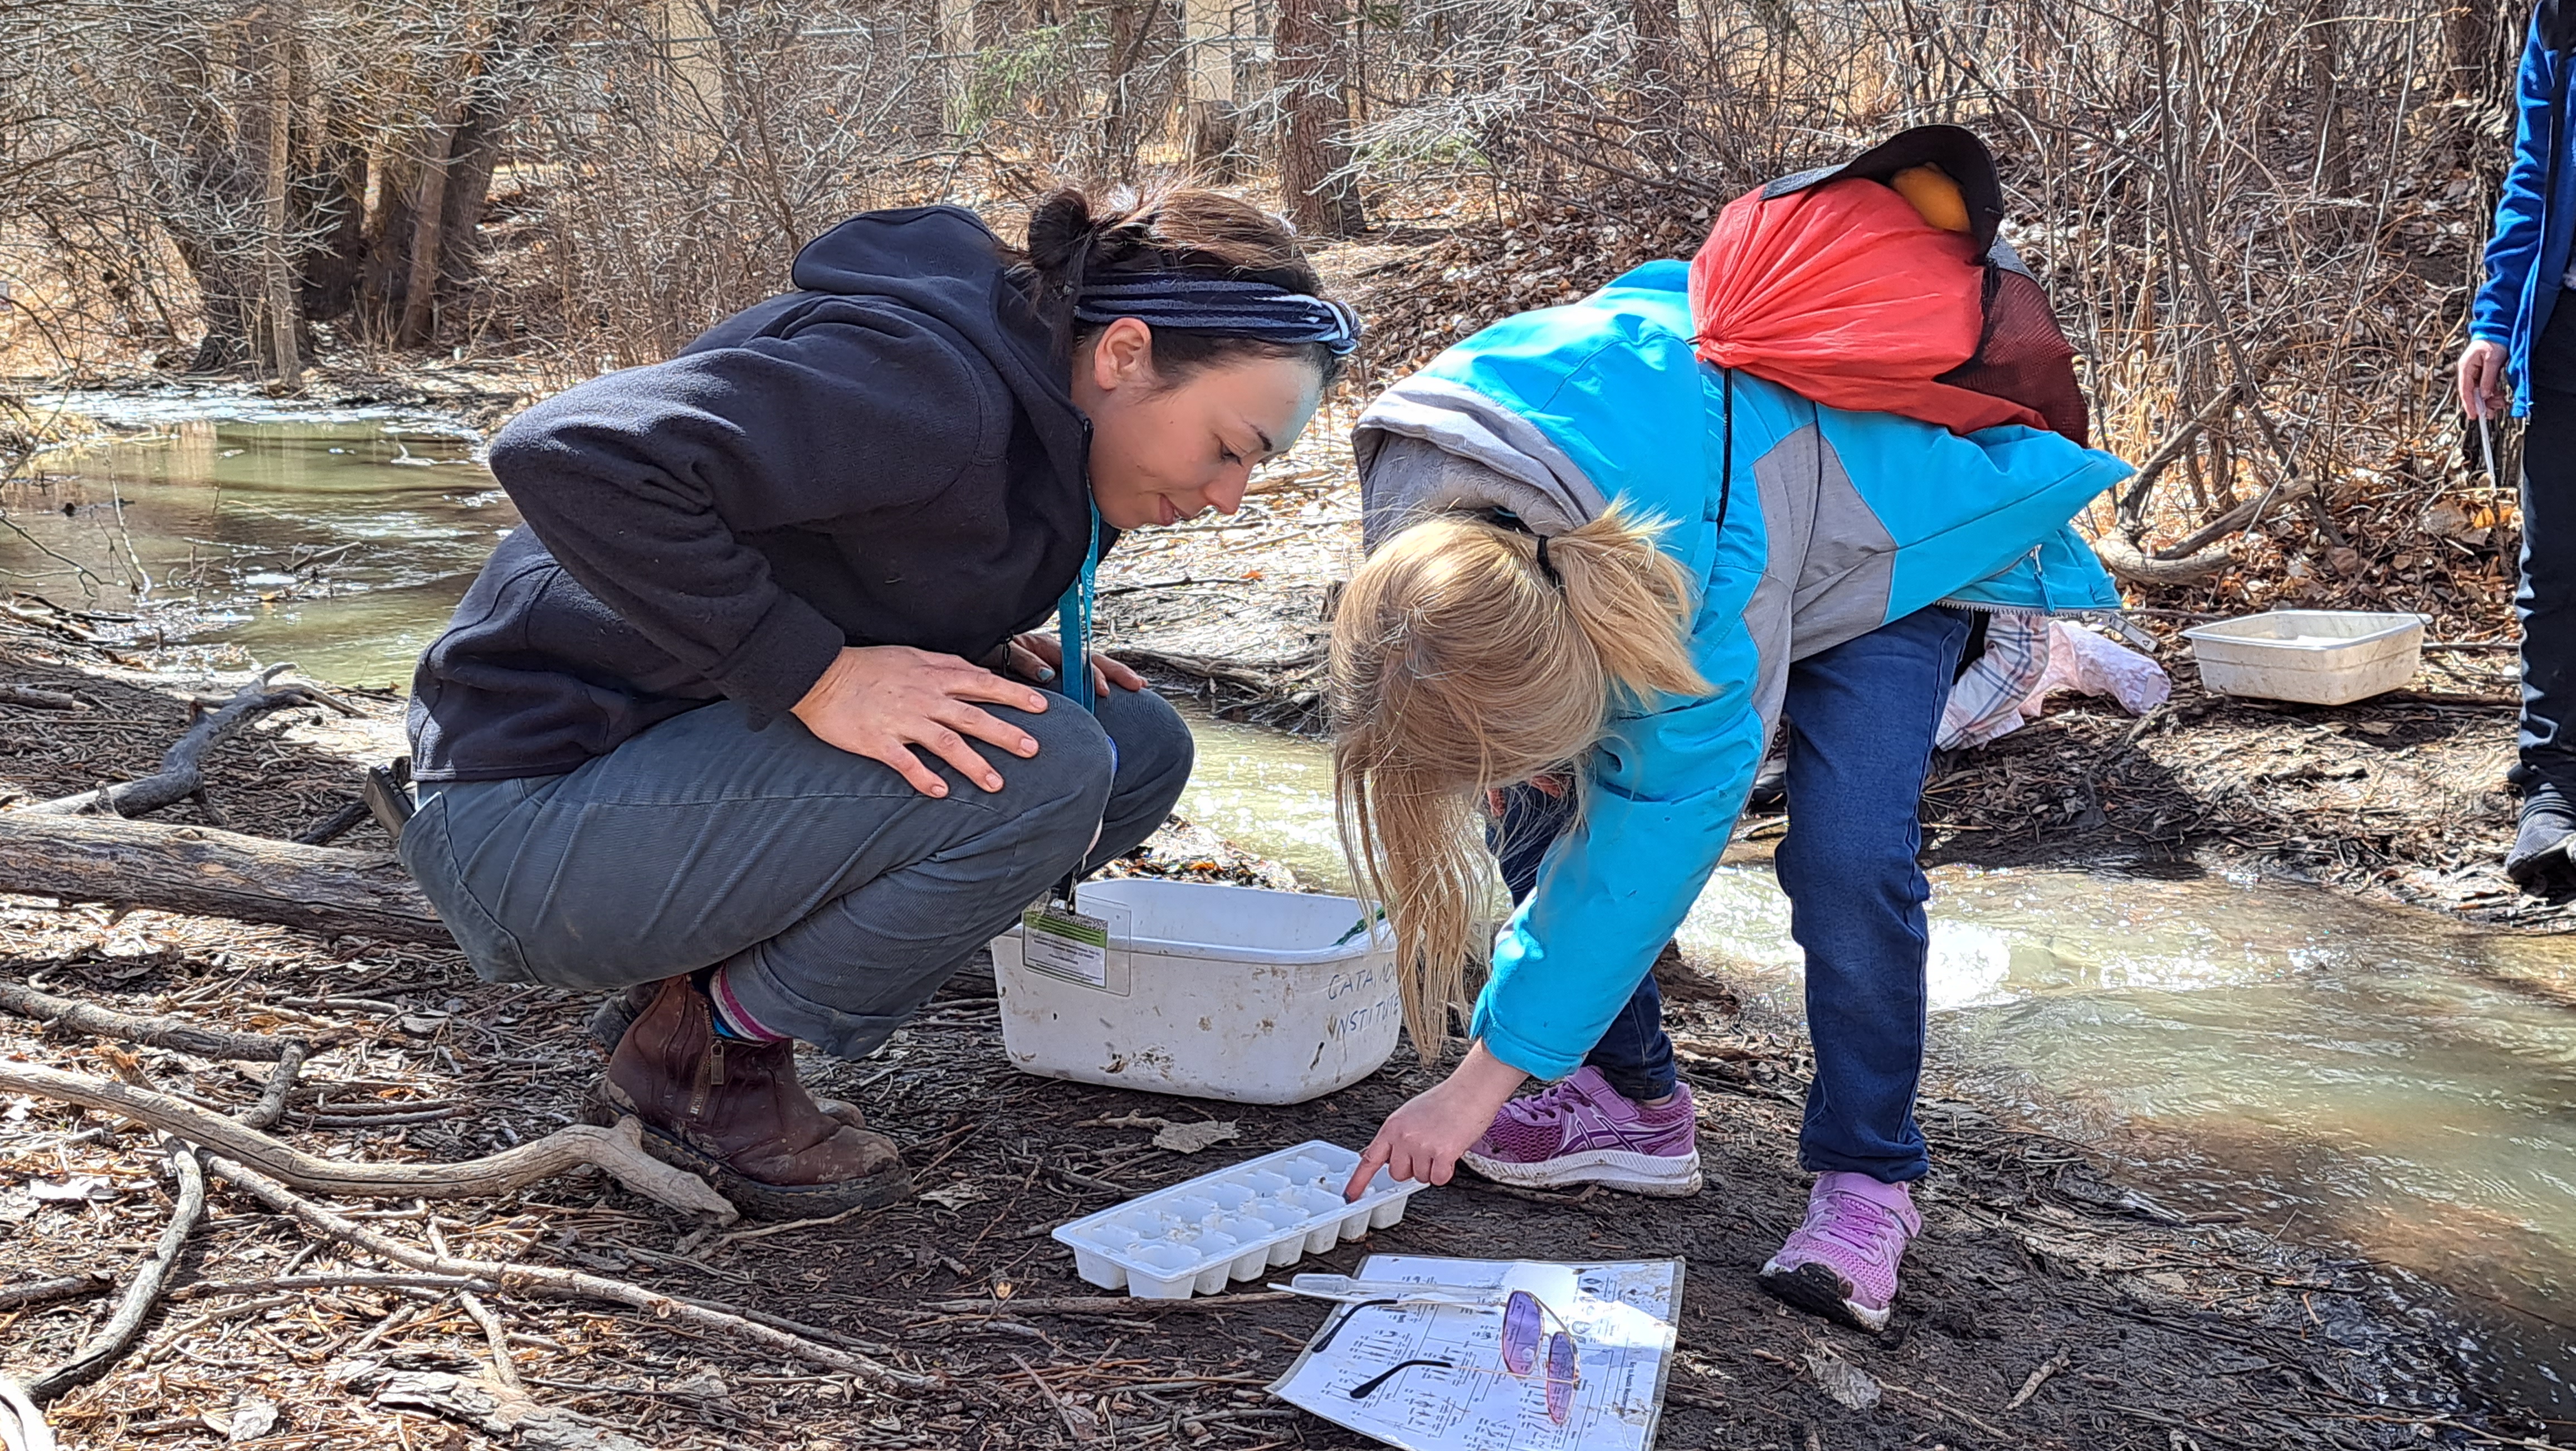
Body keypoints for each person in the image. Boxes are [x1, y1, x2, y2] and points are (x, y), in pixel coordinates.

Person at [398, 189, 1356, 1217]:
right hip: (526, 820)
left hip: (662, 776)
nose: (1230, 497)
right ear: (1124, 354)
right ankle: (705, 1065)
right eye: (1229, 446)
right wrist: (820, 675)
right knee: (1050, 767)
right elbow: (568, 449)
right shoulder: (932, 385)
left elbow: (834, 547)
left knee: (1133, 744)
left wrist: (967, 639)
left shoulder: (1060, 427)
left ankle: (688, 1000)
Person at [1329, 254, 2129, 1331]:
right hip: (1696, 490)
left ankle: (1869, 1178)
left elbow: (1653, 838)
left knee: (1846, 855)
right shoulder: (1415, 500)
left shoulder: (1695, 599)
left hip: (1887, 545)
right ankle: (1627, 1102)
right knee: (1530, 794)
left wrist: (1474, 1087)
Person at [2461, 0, 2576, 891]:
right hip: (2566, 321)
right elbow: (2533, 171)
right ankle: (2555, 789)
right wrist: (2496, 323)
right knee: (2559, 568)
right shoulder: (2561, 17)